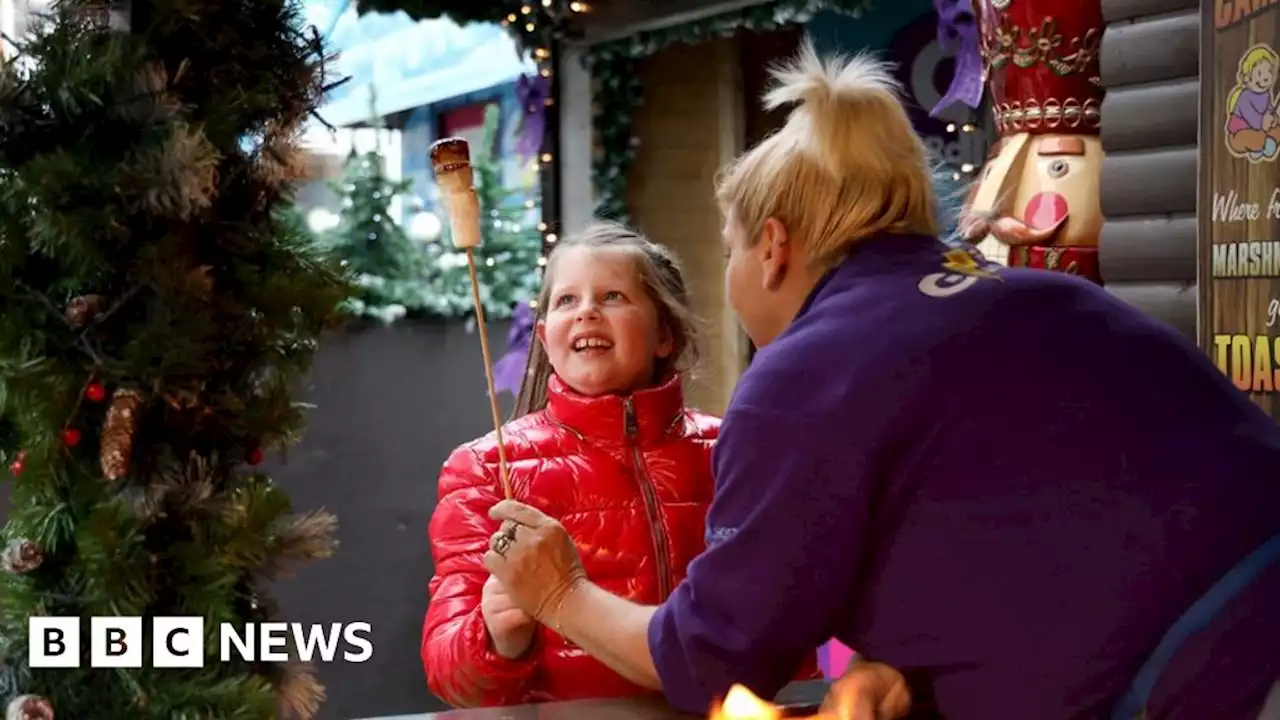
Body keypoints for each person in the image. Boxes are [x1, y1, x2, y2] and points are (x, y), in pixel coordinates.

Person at [479, 41, 1280, 720]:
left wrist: (559, 594)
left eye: (728, 249)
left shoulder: (805, 373)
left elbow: (711, 659)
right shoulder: (1033, 293)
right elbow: (1017, 521)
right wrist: (900, 660)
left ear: (774, 248)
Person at [422, 223, 819, 707]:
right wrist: (496, 637)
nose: (587, 310)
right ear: (546, 340)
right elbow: (451, 677)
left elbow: (789, 621)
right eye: (567, 300)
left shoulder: (733, 447)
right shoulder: (486, 469)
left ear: (664, 336)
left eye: (612, 296)